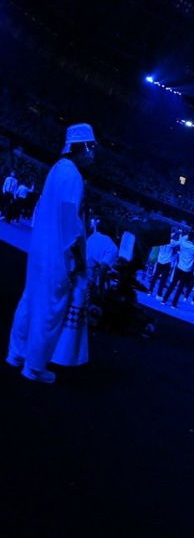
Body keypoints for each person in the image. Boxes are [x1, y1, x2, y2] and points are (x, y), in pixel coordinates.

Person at [6, 124, 95, 383]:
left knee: (30, 301)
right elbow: (70, 222)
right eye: (92, 146)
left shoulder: (58, 169)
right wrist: (78, 260)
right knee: (49, 310)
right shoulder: (74, 176)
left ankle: (16, 354)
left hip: (40, 250)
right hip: (58, 254)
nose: (94, 153)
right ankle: (34, 367)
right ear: (83, 146)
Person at [148, 231, 180, 299]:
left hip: (160, 261)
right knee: (163, 280)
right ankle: (159, 294)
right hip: (166, 262)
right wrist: (180, 235)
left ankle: (150, 290)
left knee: (155, 276)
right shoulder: (171, 242)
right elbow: (179, 243)